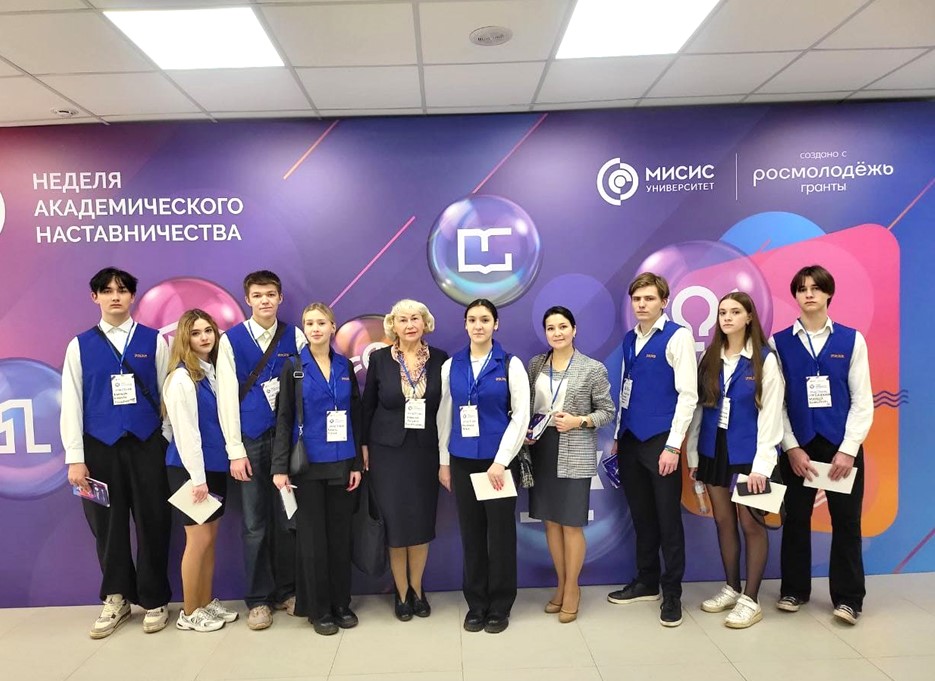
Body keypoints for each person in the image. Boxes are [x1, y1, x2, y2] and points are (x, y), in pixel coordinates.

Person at [61, 267, 172, 638]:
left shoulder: (154, 340)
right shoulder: (79, 345)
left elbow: (167, 395)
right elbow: (72, 403)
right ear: (95, 297)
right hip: (98, 450)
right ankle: (117, 597)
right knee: (107, 527)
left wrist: (165, 440)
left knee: (153, 521)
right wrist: (75, 457)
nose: (115, 297)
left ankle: (154, 598)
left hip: (146, 445)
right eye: (107, 291)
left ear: (132, 296)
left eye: (122, 290)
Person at [769, 265, 873, 625]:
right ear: (795, 296)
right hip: (799, 447)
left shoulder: (851, 340)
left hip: (840, 447)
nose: (809, 294)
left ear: (829, 293)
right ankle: (794, 590)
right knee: (796, 519)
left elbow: (863, 400)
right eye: (802, 289)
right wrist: (791, 447)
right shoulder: (778, 343)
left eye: (816, 288)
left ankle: (848, 599)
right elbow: (777, 404)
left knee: (846, 522)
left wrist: (848, 449)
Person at [686, 293, 784, 629]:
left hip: (750, 455)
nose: (727, 317)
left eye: (735, 312)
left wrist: (762, 467)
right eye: (722, 312)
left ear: (749, 317)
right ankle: (732, 587)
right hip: (715, 450)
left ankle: (751, 600)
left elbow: (772, 416)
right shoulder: (710, 357)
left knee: (751, 524)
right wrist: (694, 454)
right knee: (723, 522)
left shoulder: (764, 359)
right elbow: (699, 410)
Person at [607, 272, 698, 627]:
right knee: (642, 516)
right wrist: (619, 433)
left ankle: (672, 593)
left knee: (668, 519)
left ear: (664, 301)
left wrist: (674, 446)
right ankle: (647, 581)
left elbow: (688, 395)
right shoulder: (630, 338)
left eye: (648, 298)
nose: (642, 304)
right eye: (637, 299)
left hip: (662, 441)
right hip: (631, 439)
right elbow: (625, 387)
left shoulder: (678, 336)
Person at [217, 270, 305, 630]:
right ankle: (257, 600)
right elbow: (225, 396)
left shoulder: (295, 336)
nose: (265, 300)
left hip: (286, 442)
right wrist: (234, 450)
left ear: (280, 298)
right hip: (250, 441)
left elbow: (305, 389)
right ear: (247, 300)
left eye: (270, 294)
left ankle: (287, 590)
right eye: (257, 295)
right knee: (254, 524)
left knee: (287, 518)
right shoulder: (230, 340)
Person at [437, 298, 530, 634]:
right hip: (463, 462)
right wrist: (444, 461)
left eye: (485, 319)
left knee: (500, 536)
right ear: (465, 325)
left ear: (496, 324)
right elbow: (444, 415)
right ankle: (476, 604)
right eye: (473, 320)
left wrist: (501, 461)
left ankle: (500, 605)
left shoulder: (510, 364)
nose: (478, 325)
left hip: (497, 465)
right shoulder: (452, 365)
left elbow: (521, 417)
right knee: (472, 534)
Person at [272, 302, 363, 636]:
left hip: (342, 463)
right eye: (309, 323)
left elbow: (355, 415)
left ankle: (341, 604)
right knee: (312, 541)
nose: (315, 328)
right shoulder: (294, 367)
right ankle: (319, 609)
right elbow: (284, 418)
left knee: (339, 538)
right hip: (306, 465)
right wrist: (279, 467)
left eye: (321, 322)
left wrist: (357, 463)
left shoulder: (344, 365)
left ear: (332, 327)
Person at [525, 306, 615, 623]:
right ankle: (561, 585)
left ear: (574, 330)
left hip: (573, 449)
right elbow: (528, 407)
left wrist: (580, 421)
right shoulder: (536, 364)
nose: (557, 333)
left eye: (563, 326)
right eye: (551, 328)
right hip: (541, 449)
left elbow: (607, 411)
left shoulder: (592, 368)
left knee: (571, 523)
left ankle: (573, 589)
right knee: (550, 522)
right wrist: (527, 432)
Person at [361, 299, 449, 621]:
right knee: (395, 525)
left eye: (415, 318)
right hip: (387, 453)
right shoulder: (379, 359)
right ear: (392, 325)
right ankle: (401, 593)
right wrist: (363, 446)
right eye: (403, 319)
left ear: (425, 323)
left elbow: (446, 408)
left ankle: (417, 589)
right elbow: (368, 405)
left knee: (421, 522)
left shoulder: (441, 359)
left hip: (425, 452)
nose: (410, 325)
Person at [163, 309, 238, 633]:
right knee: (198, 539)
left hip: (214, 466)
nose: (204, 337)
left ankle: (205, 603)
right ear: (185, 338)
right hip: (190, 472)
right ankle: (190, 612)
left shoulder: (211, 372)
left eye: (208, 330)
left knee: (210, 538)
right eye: (196, 333)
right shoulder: (181, 378)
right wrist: (197, 479)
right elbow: (186, 434)